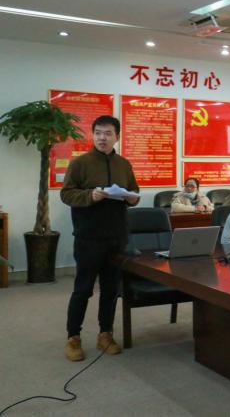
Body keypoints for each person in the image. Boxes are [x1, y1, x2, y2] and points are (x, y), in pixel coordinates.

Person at [60, 115, 140, 361]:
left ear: (117, 137)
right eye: (98, 133)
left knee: (110, 289)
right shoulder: (80, 163)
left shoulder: (123, 164)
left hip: (116, 237)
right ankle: (73, 337)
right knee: (83, 289)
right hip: (89, 237)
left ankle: (105, 334)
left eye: (107, 133)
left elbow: (134, 192)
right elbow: (66, 194)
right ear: (93, 135)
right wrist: (90, 196)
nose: (102, 138)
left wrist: (131, 198)